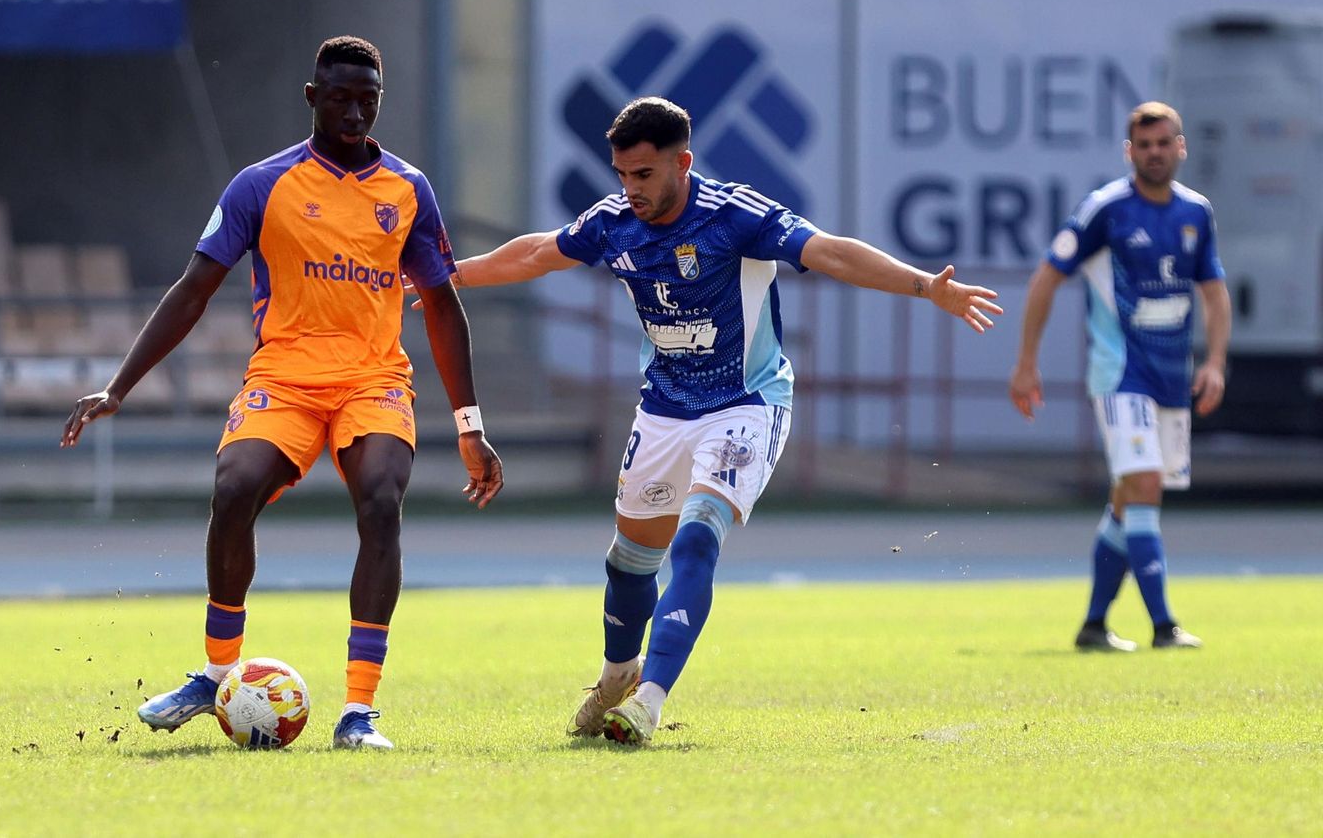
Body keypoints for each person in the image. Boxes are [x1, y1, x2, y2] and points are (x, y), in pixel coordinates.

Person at [423, 96, 1000, 745]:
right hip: (665, 410)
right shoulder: (614, 222)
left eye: (642, 175)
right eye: (620, 174)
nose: (629, 189)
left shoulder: (735, 215)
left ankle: (648, 701)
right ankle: (617, 676)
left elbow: (831, 251)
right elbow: (537, 254)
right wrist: (443, 278)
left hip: (745, 404)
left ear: (683, 163)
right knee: (628, 564)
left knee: (697, 539)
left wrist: (927, 286)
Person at [61, 36, 502, 750]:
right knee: (233, 490)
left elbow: (444, 307)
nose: (355, 112)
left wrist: (469, 424)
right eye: (340, 98)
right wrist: (117, 387)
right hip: (285, 379)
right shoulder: (261, 185)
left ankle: (359, 711)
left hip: (373, 379)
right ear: (311, 97)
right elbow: (192, 290)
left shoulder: (408, 190)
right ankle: (216, 675)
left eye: (368, 99)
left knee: (382, 503)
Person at [1010, 101, 1229, 653]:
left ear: (1181, 147)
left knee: (1130, 500)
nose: (1154, 153)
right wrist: (1027, 362)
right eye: (1143, 145)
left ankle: (1092, 626)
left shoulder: (1196, 212)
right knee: (1145, 486)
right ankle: (1164, 626)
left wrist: (1216, 362)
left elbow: (1213, 290)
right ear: (1129, 151)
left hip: (1171, 380)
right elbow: (1045, 278)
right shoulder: (1105, 209)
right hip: (1119, 375)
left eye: (1164, 143)